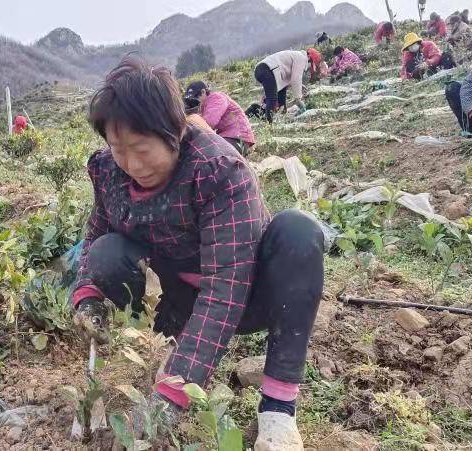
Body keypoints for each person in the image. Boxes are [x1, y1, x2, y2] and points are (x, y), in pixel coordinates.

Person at [72, 55, 323, 451]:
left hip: (247, 295)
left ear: (173, 131)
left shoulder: (218, 169)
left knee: (299, 232)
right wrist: (86, 293)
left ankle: (277, 408)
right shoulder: (108, 170)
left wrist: (176, 389)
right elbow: (97, 230)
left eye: (141, 148)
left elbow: (226, 288)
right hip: (176, 297)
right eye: (118, 149)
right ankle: (168, 341)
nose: (132, 164)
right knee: (105, 254)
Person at [183, 81, 255, 155]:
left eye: (195, 98)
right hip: (230, 138)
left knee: (206, 153)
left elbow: (209, 123)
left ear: (203, 92)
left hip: (237, 138)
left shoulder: (216, 98)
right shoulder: (204, 106)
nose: (194, 102)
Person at [254, 50, 309, 123]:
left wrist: (299, 86)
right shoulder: (301, 58)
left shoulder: (295, 54)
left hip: (262, 69)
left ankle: (282, 115)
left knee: (281, 97)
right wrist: (298, 99)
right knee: (272, 99)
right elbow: (296, 78)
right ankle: (269, 125)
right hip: (267, 69)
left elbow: (288, 81)